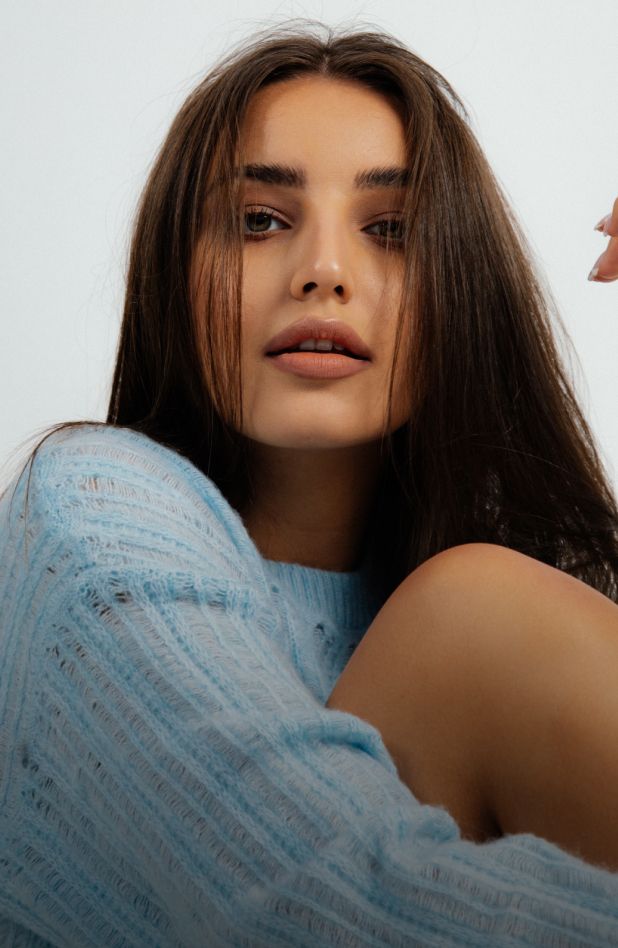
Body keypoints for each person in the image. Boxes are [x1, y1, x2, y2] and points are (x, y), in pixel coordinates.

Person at [2, 20, 618, 947]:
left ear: (464, 292)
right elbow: (322, 909)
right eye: (259, 221)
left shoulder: (508, 568)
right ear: (176, 273)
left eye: (391, 231)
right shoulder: (96, 518)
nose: (325, 273)